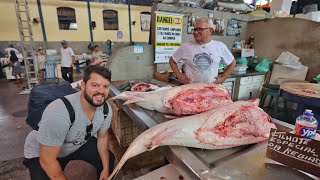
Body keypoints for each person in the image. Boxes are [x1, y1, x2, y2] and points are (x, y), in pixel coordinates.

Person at [23, 65, 115, 180]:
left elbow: (102, 137)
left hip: (75, 142)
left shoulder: (105, 110)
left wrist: (106, 170)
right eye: (95, 85)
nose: (101, 91)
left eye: (105, 86)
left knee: (108, 160)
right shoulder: (60, 112)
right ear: (83, 85)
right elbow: (47, 161)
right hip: (44, 151)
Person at [169, 17, 236, 84]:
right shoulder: (186, 46)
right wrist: (180, 76)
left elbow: (232, 63)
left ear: (210, 31)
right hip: (191, 89)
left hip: (210, 88)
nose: (195, 32)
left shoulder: (219, 46)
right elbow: (172, 60)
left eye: (200, 29)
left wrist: (223, 78)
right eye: (195, 29)